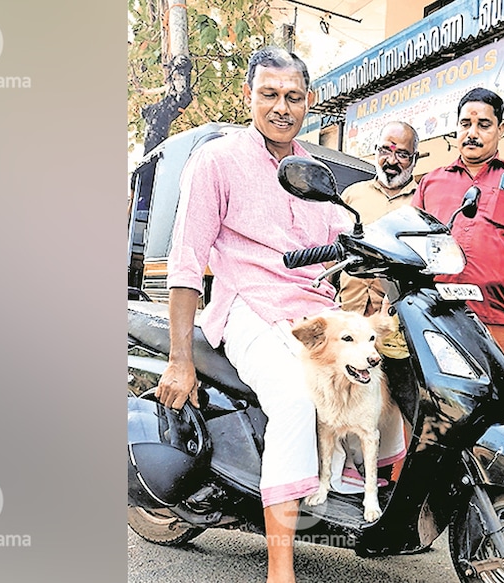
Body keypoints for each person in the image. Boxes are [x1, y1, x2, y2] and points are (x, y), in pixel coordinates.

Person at [154, 47, 401, 583]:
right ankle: (280, 568)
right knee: (295, 399)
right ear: (250, 96)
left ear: (309, 101)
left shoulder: (312, 170)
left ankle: (349, 486)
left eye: (293, 96)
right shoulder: (216, 161)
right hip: (247, 305)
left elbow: (348, 240)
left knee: (383, 379)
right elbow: (187, 262)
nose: (282, 107)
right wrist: (179, 360)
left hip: (313, 309)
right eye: (270, 94)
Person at [411, 88, 504, 359]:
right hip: (431, 315)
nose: (472, 133)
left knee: (490, 398)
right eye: (465, 124)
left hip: (493, 318)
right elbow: (408, 244)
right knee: (431, 397)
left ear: (500, 129)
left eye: (484, 125)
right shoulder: (431, 183)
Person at [337, 121, 420, 316]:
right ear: (375, 151)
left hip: (397, 322)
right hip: (347, 314)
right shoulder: (352, 195)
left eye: (402, 154)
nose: (391, 161)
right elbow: (334, 254)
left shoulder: (422, 201)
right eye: (385, 150)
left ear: (414, 159)